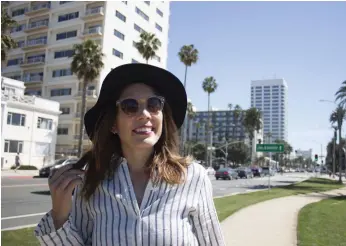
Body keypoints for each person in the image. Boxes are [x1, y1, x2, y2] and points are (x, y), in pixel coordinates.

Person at [34, 64, 225, 245]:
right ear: (114, 124)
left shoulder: (193, 177)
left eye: (154, 104)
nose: (144, 114)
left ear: (162, 116)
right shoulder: (91, 181)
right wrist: (59, 215)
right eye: (130, 106)